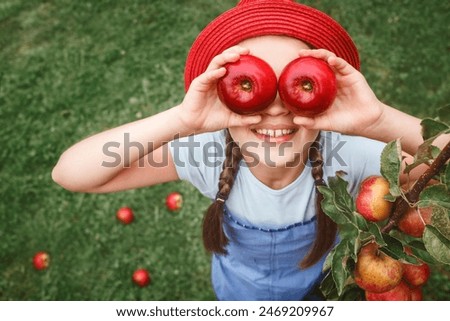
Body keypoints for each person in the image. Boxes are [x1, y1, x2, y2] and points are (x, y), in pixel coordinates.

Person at [52, 0, 448, 300]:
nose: (275, 108)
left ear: (325, 95)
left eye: (296, 86)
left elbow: (441, 160)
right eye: (250, 88)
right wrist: (181, 121)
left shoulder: (347, 153)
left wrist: (377, 119)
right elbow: (71, 172)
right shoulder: (204, 154)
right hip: (237, 292)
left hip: (317, 288)